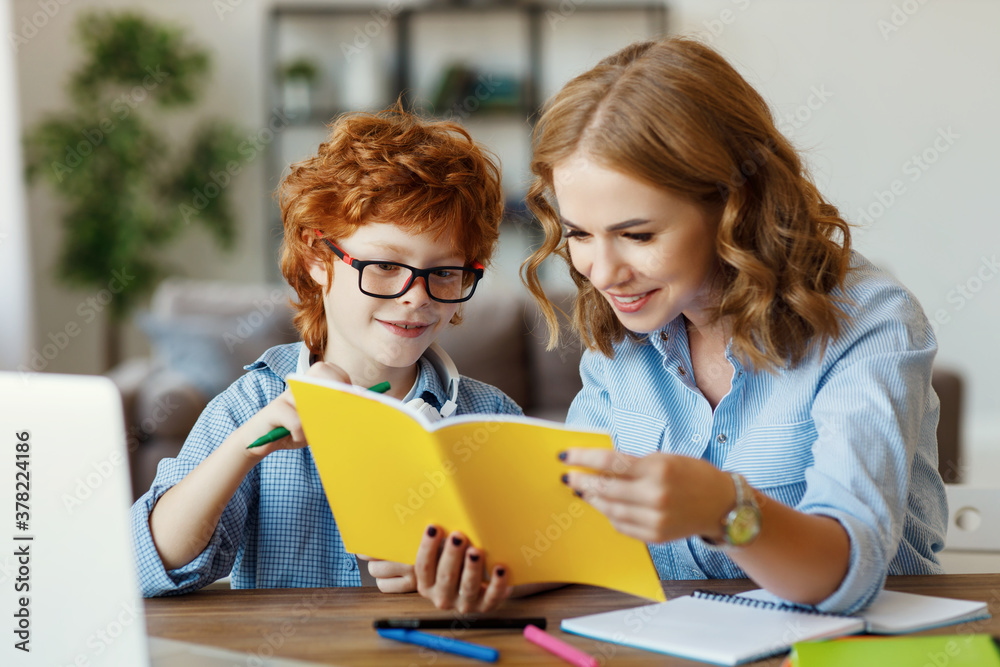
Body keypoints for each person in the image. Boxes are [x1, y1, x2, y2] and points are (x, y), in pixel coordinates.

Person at [418, 36, 948, 614]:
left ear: (733, 205)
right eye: (579, 234)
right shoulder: (626, 336)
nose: (602, 272)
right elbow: (579, 532)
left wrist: (727, 509)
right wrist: (477, 566)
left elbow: (848, 569)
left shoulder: (868, 320)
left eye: (638, 235)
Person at [129, 105, 521, 604]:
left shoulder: (491, 418)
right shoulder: (249, 406)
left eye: (445, 272)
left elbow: (536, 564)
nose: (416, 296)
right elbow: (145, 567)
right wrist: (246, 447)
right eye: (384, 265)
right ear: (318, 258)